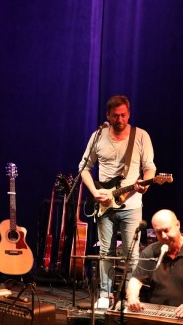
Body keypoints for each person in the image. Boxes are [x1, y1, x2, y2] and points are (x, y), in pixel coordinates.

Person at [78, 95, 156, 309]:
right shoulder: (98, 136)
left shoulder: (140, 136)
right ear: (108, 116)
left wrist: (146, 184)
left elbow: (150, 168)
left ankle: (128, 297)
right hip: (104, 204)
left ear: (129, 114)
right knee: (106, 252)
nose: (120, 119)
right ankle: (105, 295)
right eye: (115, 115)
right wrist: (94, 192)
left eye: (123, 115)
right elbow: (83, 168)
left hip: (131, 205)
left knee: (132, 254)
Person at [126, 209, 183, 317]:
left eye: (166, 230)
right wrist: (132, 296)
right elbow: (137, 279)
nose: (164, 236)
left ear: (178, 225)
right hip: (157, 315)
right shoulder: (151, 251)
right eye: (158, 232)